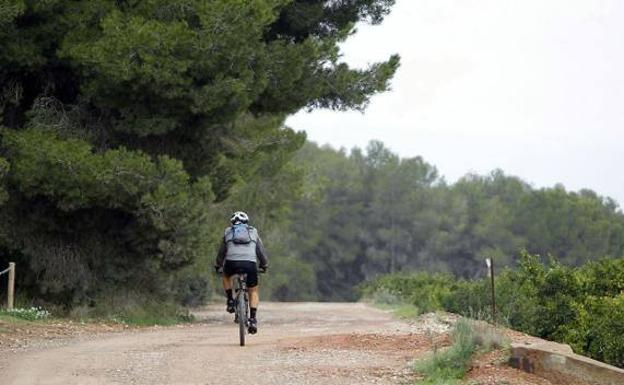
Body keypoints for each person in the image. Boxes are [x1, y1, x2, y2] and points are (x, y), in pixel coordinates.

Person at [215, 211, 268, 334]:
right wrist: (264, 265)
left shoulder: (228, 232)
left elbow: (221, 253)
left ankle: (230, 301)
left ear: (233, 223)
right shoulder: (253, 232)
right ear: (247, 222)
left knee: (226, 276)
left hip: (232, 263)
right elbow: (261, 252)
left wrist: (218, 265)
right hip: (250, 264)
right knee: (253, 290)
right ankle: (253, 319)